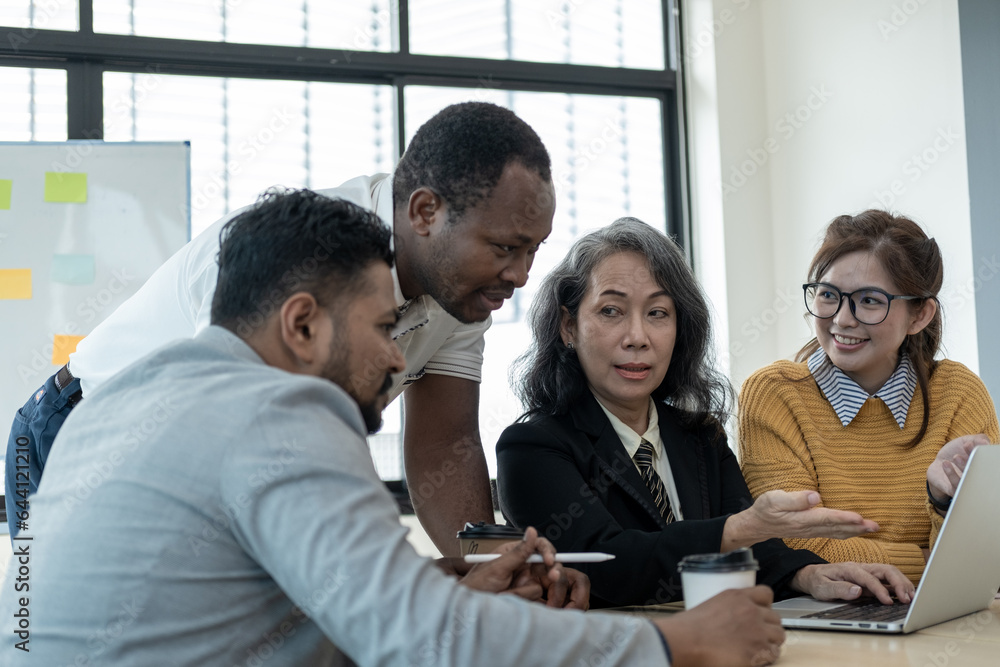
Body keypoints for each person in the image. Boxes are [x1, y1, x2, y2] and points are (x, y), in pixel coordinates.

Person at [0, 190, 787, 667]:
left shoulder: (115, 405)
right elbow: (421, 643)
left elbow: (260, 615)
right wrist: (676, 646)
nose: (398, 358)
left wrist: (444, 586)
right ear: (301, 325)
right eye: (385, 328)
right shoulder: (279, 409)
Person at [5, 102, 556, 553]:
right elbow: (257, 441)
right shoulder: (299, 256)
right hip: (85, 428)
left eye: (534, 249)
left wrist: (488, 569)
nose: (521, 275)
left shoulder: (461, 289)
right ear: (425, 213)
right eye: (504, 248)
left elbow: (444, 441)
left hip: (202, 459)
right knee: (62, 631)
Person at [496, 218, 914, 608]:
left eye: (658, 313)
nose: (637, 337)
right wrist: (738, 529)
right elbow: (605, 565)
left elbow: (756, 551)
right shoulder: (531, 448)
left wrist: (808, 574)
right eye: (611, 311)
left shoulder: (700, 436)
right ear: (568, 327)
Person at [738, 210, 999, 585]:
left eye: (870, 301)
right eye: (828, 295)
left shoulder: (959, 394)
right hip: (824, 612)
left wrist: (942, 501)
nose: (842, 319)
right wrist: (927, 561)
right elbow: (791, 544)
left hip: (940, 610)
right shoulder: (773, 394)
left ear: (919, 315)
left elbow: (984, 556)